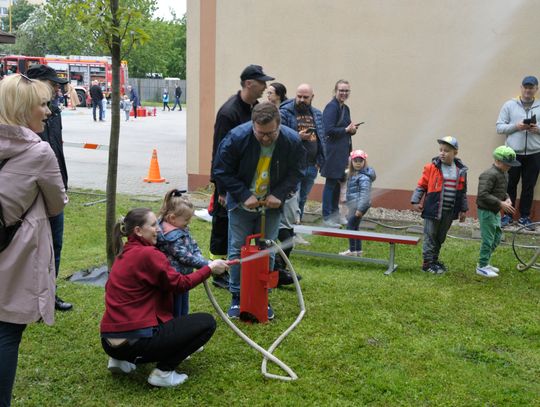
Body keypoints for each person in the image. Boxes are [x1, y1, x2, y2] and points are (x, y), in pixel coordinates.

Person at [100, 208, 229, 388]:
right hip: (136, 344)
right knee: (206, 323)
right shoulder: (149, 254)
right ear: (138, 231)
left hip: (108, 342)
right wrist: (209, 269)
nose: (159, 229)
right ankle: (164, 373)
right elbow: (180, 284)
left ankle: (119, 360)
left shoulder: (122, 255)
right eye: (153, 225)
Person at [0, 74, 68, 407]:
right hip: (12, 253)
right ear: (24, 109)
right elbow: (56, 204)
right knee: (6, 332)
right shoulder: (39, 152)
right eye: (42, 104)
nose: (48, 111)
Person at [213, 102, 305, 319]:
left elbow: (297, 171)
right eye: (260, 133)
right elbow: (221, 170)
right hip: (241, 204)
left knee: (268, 248)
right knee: (237, 249)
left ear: (279, 125)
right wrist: (245, 195)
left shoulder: (291, 140)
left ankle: (264, 297)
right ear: (252, 125)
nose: (265, 138)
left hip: (272, 204)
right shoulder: (237, 138)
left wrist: (279, 194)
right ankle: (237, 296)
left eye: (270, 133)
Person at [209, 64, 275, 290]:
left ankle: (248, 269)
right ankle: (222, 273)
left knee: (244, 231)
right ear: (249, 84)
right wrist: (222, 189)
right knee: (227, 228)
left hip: (253, 180)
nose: (265, 87)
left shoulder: (255, 108)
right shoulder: (230, 112)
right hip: (232, 183)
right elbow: (219, 153)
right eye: (261, 83)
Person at [27, 64, 73, 311]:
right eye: (52, 85)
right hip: (32, 194)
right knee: (32, 249)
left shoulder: (54, 112)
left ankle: (48, 294)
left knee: (55, 245)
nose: (57, 90)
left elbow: (56, 151)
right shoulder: (22, 116)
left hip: (55, 189)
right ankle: (31, 298)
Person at [411, 136, 468, 274]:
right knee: (430, 235)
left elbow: (462, 191)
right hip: (433, 209)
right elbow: (421, 185)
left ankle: (434, 260)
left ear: (455, 152)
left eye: (446, 150)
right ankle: (427, 263)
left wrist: (463, 209)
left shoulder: (460, 170)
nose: (442, 153)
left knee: (440, 237)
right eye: (440, 150)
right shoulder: (432, 168)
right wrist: (415, 201)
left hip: (448, 211)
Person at [496, 75, 540, 230]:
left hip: (535, 153)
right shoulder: (509, 105)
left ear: (536, 89)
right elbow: (499, 127)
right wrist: (517, 126)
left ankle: (525, 217)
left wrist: (538, 129)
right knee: (510, 185)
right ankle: (507, 216)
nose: (528, 90)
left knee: (529, 186)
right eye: (525, 87)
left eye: (531, 87)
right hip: (512, 153)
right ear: (521, 88)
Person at [156, 189, 209, 317]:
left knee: (183, 306)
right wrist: (207, 264)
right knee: (175, 309)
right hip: (174, 281)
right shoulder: (171, 238)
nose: (188, 224)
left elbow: (192, 244)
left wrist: (199, 256)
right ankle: (177, 326)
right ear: (172, 218)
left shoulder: (180, 228)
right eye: (186, 221)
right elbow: (184, 257)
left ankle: (182, 322)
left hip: (182, 278)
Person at [280, 83, 325, 220]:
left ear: (312, 97)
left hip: (311, 165)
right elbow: (280, 135)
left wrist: (319, 161)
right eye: (299, 96)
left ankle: (297, 225)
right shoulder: (285, 112)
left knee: (303, 198)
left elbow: (322, 138)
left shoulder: (317, 114)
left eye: (305, 97)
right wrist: (297, 136)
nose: (301, 100)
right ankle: (290, 228)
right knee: (292, 197)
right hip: (294, 164)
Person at [476, 146, 521, 277]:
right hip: (486, 211)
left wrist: (507, 198)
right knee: (488, 239)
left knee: (496, 238)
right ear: (497, 161)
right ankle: (482, 266)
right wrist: (500, 203)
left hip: (494, 210)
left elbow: (501, 190)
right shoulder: (489, 174)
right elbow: (483, 194)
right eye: (507, 164)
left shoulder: (504, 173)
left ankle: (486, 262)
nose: (509, 167)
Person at [321, 80, 360, 228]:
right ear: (335, 91)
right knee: (331, 183)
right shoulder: (331, 107)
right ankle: (327, 217)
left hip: (343, 152)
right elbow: (328, 130)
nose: (344, 93)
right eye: (341, 90)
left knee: (338, 183)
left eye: (346, 91)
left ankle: (335, 214)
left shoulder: (346, 108)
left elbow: (347, 127)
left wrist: (353, 129)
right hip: (332, 152)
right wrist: (346, 130)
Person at [339, 150, 376, 257]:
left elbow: (365, 195)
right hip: (354, 205)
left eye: (361, 160)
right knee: (355, 227)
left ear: (365, 162)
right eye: (355, 160)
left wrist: (360, 209)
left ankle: (352, 250)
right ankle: (358, 250)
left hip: (359, 206)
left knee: (350, 227)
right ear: (351, 162)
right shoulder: (355, 173)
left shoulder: (363, 177)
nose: (358, 163)